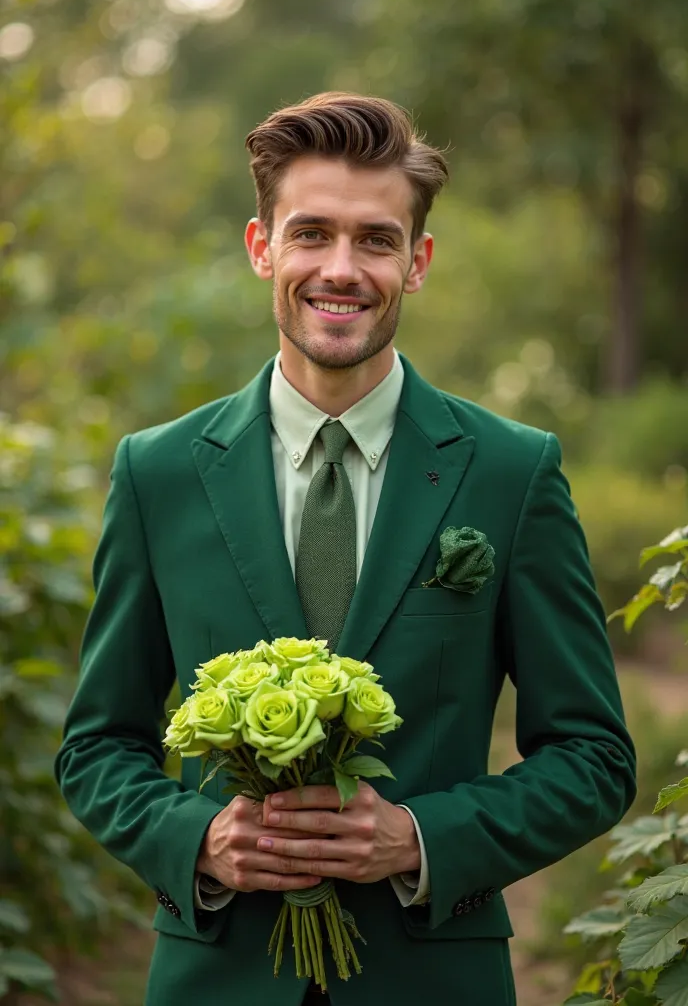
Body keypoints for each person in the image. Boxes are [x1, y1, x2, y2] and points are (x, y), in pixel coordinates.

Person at [55, 92, 637, 1006]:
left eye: (375, 239)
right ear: (262, 248)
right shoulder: (158, 472)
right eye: (311, 233)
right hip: (216, 980)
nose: (341, 268)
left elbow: (594, 756)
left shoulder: (513, 473)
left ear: (418, 263)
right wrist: (198, 841)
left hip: (434, 976)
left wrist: (419, 837)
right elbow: (98, 746)